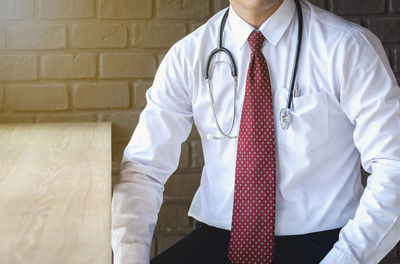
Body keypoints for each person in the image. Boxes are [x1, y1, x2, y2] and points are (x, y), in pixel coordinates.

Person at [112, 0, 400, 263]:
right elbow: (144, 168)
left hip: (325, 245)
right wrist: (130, 257)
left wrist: (346, 258)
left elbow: (393, 165)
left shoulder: (347, 47)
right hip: (218, 241)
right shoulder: (188, 55)